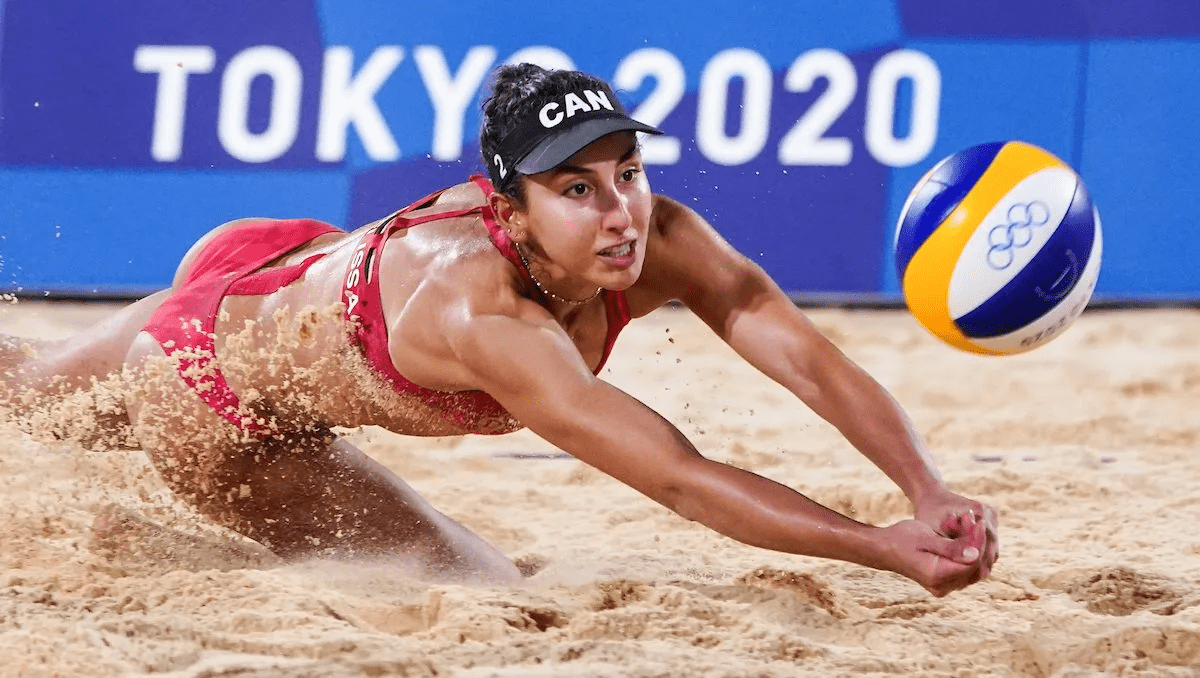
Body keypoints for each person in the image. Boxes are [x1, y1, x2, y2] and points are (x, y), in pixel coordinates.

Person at [0, 63, 998, 596]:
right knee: (483, 586)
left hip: (280, 284)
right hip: (213, 387)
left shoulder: (656, 237)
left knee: (30, 386)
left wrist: (925, 488)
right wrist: (878, 547)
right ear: (508, 209)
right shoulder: (486, 316)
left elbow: (790, 342)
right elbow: (677, 476)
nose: (621, 211)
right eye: (576, 187)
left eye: (628, 171)